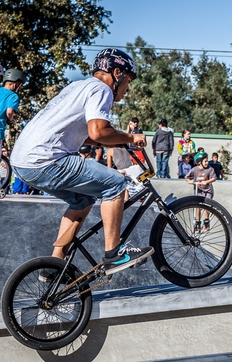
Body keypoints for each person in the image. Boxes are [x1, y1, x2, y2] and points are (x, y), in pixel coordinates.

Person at [10, 48, 154, 276]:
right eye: (128, 80)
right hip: (46, 159)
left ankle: (53, 265)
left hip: (22, 162)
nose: (128, 88)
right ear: (117, 73)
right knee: (116, 184)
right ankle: (114, 254)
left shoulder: (77, 87)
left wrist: (115, 142)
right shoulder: (102, 90)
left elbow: (86, 135)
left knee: (83, 200)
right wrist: (130, 137)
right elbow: (98, 131)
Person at [185, 152, 216, 232]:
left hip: (208, 191)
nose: (207, 163)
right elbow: (187, 177)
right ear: (200, 162)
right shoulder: (195, 169)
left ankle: (206, 222)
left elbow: (214, 178)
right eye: (205, 161)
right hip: (199, 191)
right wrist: (190, 182)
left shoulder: (210, 169)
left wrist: (207, 181)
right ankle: (198, 222)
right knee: (198, 206)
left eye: (207, 161)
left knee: (206, 206)